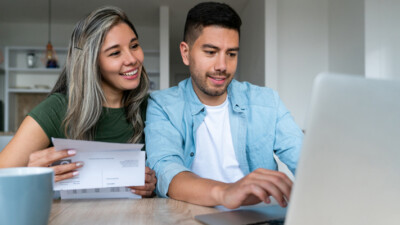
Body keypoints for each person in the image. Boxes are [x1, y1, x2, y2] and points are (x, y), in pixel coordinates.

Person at [145, 2, 303, 208]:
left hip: (262, 216)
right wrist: (226, 192)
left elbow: (305, 160)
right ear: (186, 53)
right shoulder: (162, 105)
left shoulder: (266, 102)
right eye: (210, 52)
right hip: (193, 217)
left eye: (231, 54)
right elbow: (166, 171)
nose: (222, 66)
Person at [0, 6, 156, 197]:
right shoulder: (56, 109)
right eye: (115, 53)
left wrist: (155, 185)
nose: (132, 59)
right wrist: (30, 175)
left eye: (134, 46)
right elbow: (3, 178)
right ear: (90, 63)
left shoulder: (154, 108)